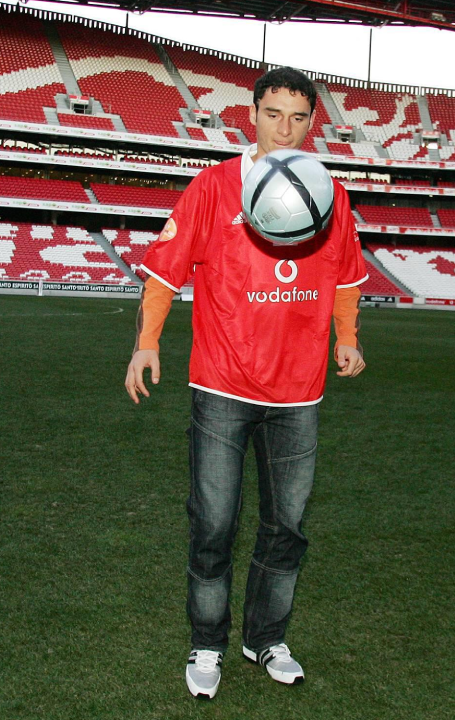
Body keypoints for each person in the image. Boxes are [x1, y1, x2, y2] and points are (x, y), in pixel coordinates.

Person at [123, 66, 368, 700]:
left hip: (299, 394)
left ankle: (266, 638)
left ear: (313, 122)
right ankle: (207, 644)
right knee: (213, 524)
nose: (284, 128)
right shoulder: (213, 187)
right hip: (222, 387)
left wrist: (347, 338)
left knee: (287, 526)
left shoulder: (331, 196)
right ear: (250, 115)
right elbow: (165, 271)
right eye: (272, 114)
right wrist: (147, 343)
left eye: (297, 117)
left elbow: (344, 278)